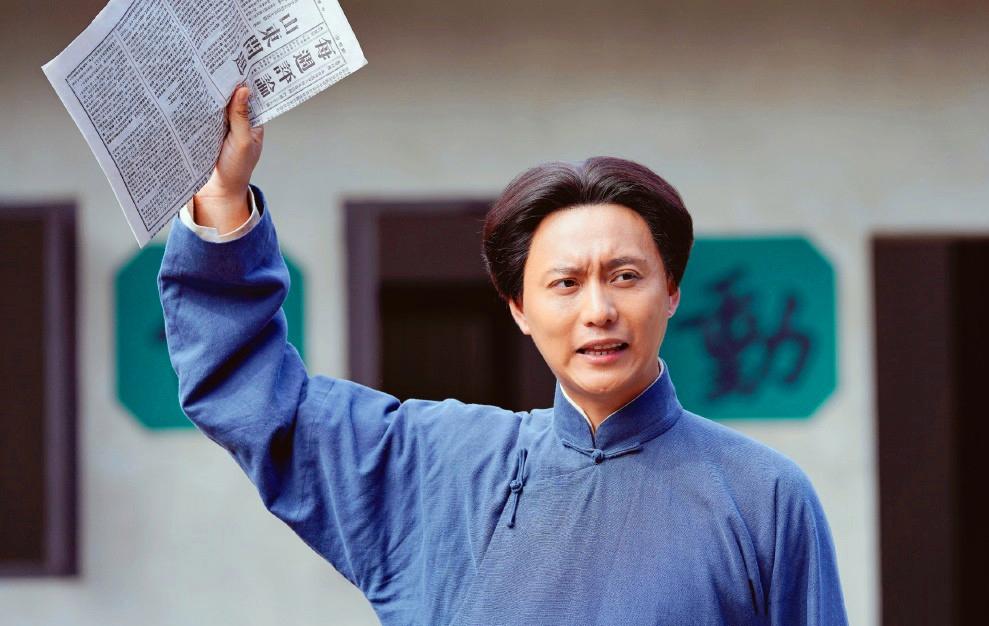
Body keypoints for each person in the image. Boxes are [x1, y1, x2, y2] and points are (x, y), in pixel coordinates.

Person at [158, 87, 848, 625]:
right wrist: (223, 200)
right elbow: (259, 401)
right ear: (519, 309)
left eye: (625, 276)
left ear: (671, 290)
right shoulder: (436, 468)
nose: (598, 310)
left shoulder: (762, 496)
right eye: (565, 283)